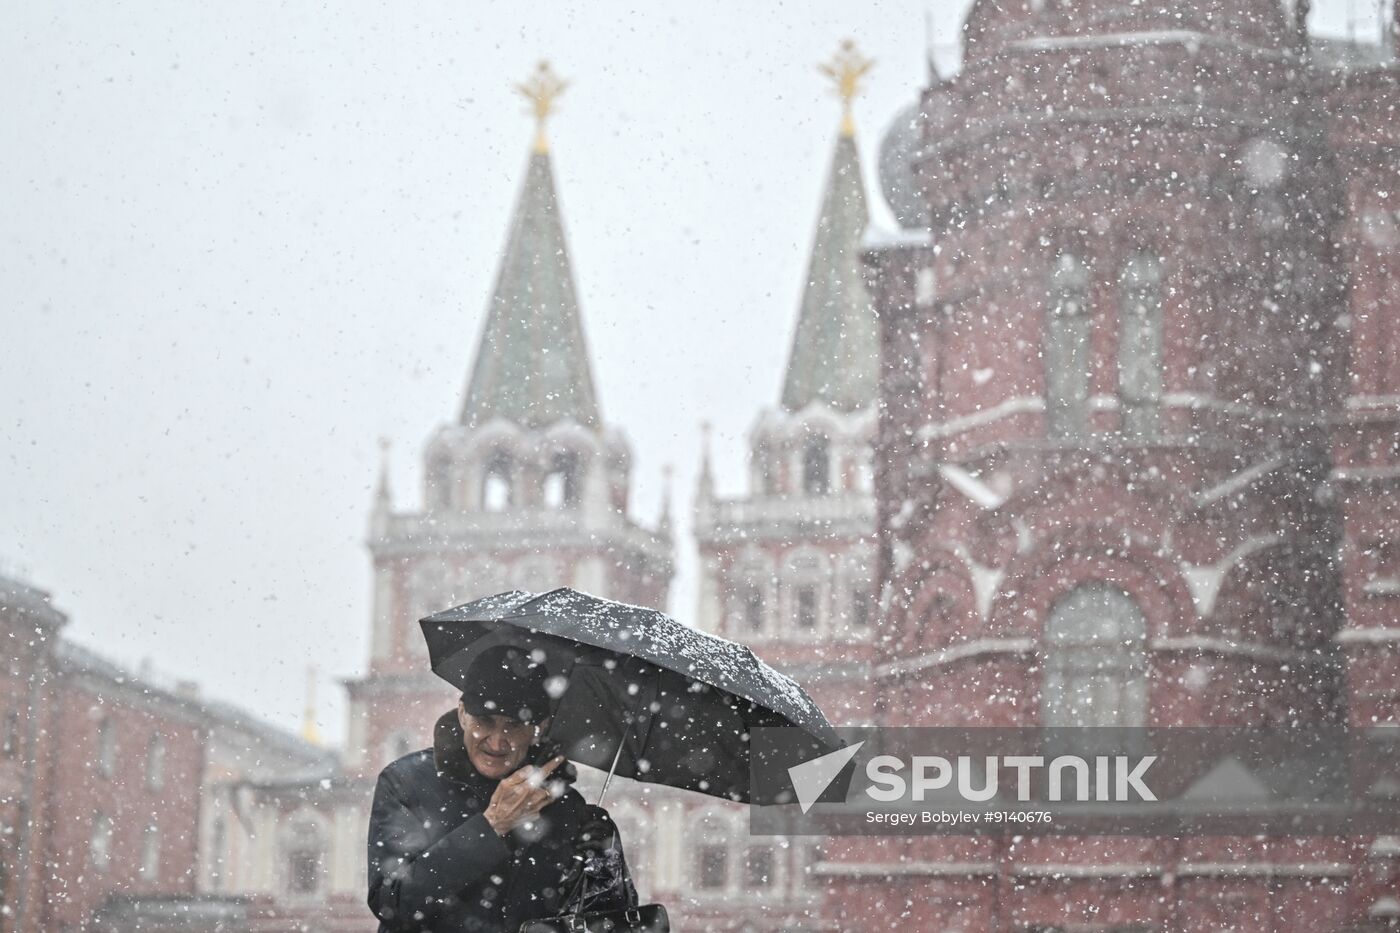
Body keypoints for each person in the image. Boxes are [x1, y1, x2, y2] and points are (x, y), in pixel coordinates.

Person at [367, 645, 636, 932]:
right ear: (462, 715)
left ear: (539, 729)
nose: (496, 742)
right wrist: (491, 825)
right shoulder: (406, 782)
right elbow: (391, 901)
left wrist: (605, 868)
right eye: (484, 722)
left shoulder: (566, 806)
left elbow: (609, 924)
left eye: (513, 726)